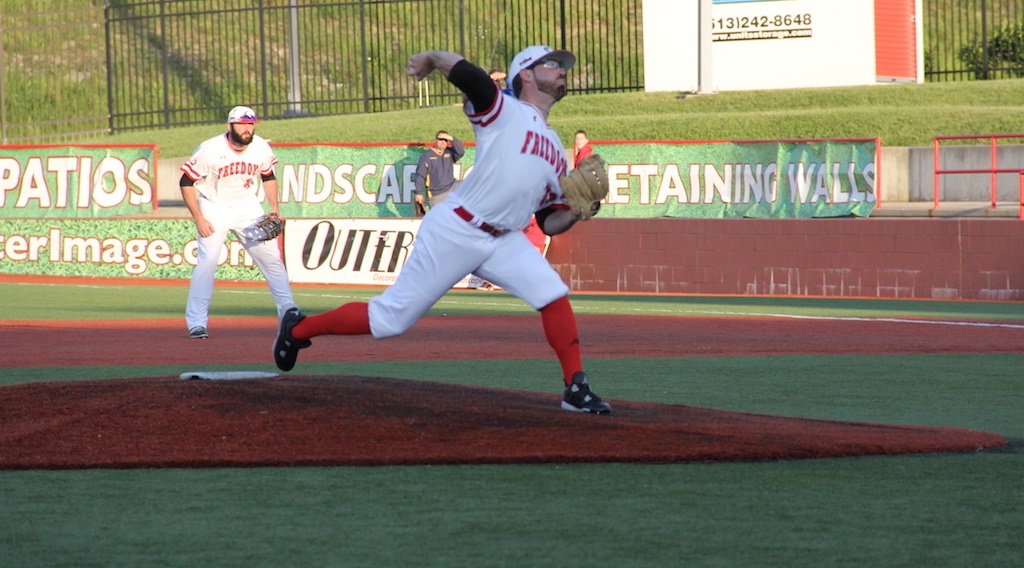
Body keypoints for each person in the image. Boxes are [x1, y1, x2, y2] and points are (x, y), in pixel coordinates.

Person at [273, 45, 611, 414]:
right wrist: (433, 59)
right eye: (552, 64)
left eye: (562, 65)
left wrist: (580, 209)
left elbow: (549, 221)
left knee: (552, 294)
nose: (562, 69)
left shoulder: (555, 148)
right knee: (390, 320)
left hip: (504, 239)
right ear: (526, 74)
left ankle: (575, 389)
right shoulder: (506, 112)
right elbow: (471, 77)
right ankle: (298, 329)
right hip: (457, 227)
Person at [180, 105, 298, 339]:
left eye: (251, 124)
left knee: (272, 260)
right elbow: (186, 181)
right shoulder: (210, 149)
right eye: (242, 123)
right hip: (214, 206)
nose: (247, 128)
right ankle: (196, 323)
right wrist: (199, 218)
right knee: (208, 262)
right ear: (229, 126)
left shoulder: (261, 146)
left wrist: (274, 208)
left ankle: (289, 313)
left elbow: (268, 176)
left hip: (248, 208)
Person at [413, 130, 465, 211]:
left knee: (470, 183)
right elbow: (420, 175)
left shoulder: (449, 152)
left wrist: (451, 138)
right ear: (435, 141)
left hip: (451, 186)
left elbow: (461, 151)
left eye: (446, 140)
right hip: (437, 193)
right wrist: (418, 193)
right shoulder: (427, 156)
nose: (443, 142)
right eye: (441, 139)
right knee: (439, 218)